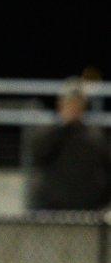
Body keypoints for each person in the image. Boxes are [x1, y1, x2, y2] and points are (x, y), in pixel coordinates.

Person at [29, 80, 111, 210]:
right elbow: (37, 155)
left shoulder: (94, 137)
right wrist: (63, 127)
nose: (73, 108)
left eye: (77, 104)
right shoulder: (48, 133)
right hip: (52, 211)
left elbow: (106, 171)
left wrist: (101, 203)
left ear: (83, 107)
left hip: (87, 211)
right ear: (60, 105)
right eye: (69, 104)